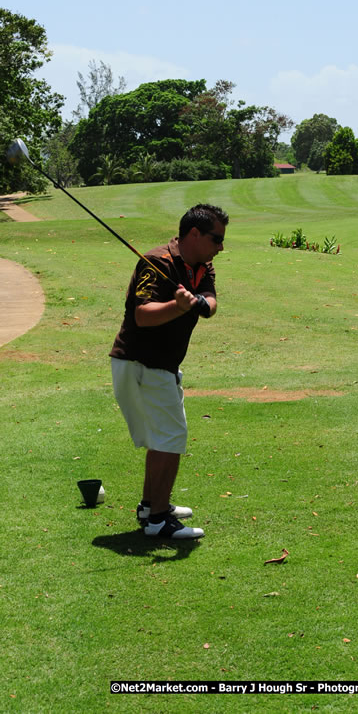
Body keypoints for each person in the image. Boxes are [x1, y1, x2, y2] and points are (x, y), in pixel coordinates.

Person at [110, 203, 229, 539]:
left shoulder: (201, 265)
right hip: (140, 363)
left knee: (164, 439)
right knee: (170, 439)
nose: (221, 246)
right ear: (194, 233)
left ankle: (151, 505)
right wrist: (177, 307)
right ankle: (158, 520)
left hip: (162, 366)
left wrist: (200, 304)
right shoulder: (156, 262)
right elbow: (143, 315)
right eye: (216, 238)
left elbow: (210, 301)